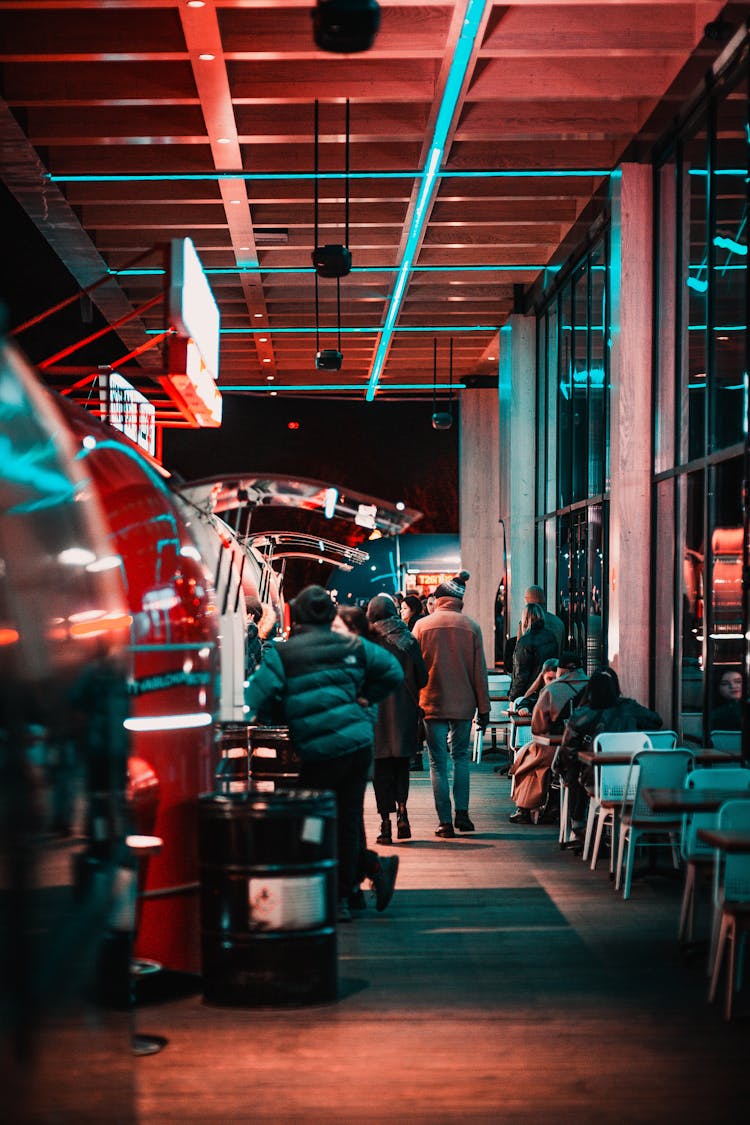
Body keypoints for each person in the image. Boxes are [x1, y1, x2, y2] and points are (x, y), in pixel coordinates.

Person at [245, 585, 403, 922]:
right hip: (358, 747)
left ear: (298, 616)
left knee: (315, 822)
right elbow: (393, 671)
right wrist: (366, 696)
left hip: (320, 751)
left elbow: (254, 696)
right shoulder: (353, 645)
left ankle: (340, 893)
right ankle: (354, 886)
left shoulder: (284, 654)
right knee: (347, 820)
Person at [412, 571, 490, 837]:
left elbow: (413, 668)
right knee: (461, 758)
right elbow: (479, 671)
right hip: (463, 705)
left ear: (439, 599)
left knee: (437, 762)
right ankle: (463, 814)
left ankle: (444, 821)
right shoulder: (471, 627)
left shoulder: (422, 626)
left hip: (430, 702)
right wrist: (485, 708)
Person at [557, 667, 662, 839]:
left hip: (596, 782)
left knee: (574, 768)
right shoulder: (630, 708)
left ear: (590, 689)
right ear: (616, 687)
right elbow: (656, 721)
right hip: (635, 782)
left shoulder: (581, 715)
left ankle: (578, 823)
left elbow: (568, 753)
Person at [367, 593, 428, 844]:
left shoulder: (366, 643)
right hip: (405, 713)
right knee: (402, 766)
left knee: (380, 770)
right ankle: (403, 813)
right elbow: (423, 678)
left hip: (376, 716)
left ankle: (385, 824)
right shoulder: (409, 640)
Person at [508, 651, 588, 825]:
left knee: (529, 760)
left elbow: (538, 727)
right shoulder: (593, 685)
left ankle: (526, 809)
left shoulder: (553, 689)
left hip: (560, 747)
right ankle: (552, 805)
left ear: (560, 669)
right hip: (591, 750)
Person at [508, 603, 558, 703]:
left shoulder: (525, 641)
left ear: (525, 620)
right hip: (548, 692)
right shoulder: (551, 636)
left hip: (528, 696)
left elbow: (521, 675)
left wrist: (513, 697)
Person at [517, 585, 565, 657]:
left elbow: (519, 652)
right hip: (553, 665)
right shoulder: (559, 622)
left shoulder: (526, 623)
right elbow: (561, 650)